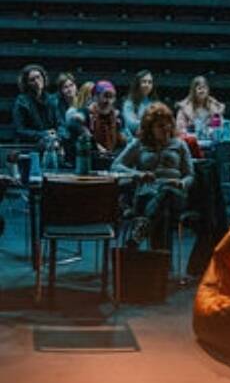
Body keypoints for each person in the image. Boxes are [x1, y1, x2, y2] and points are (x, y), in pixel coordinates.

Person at [110, 102, 193, 250]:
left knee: (166, 192)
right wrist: (138, 174)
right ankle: (160, 260)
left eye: (168, 124)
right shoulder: (139, 144)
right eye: (161, 126)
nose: (166, 128)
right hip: (147, 194)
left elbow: (190, 175)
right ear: (150, 128)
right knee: (162, 212)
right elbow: (116, 166)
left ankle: (140, 231)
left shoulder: (180, 145)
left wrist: (181, 183)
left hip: (175, 194)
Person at [69, 80, 124, 155]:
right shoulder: (87, 113)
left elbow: (124, 138)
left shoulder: (117, 116)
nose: (108, 101)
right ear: (96, 97)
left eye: (111, 97)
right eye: (105, 96)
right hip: (92, 156)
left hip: (113, 155)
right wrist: (93, 142)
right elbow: (74, 120)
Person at [9, 65, 58, 144]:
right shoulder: (21, 102)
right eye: (32, 80)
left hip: (50, 143)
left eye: (38, 77)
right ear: (27, 83)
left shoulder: (51, 99)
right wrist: (43, 134)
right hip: (29, 145)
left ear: (43, 78)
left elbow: (59, 123)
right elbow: (19, 130)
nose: (37, 81)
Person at [174, 76, 226, 141]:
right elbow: (180, 128)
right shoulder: (184, 107)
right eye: (199, 88)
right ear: (194, 91)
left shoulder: (215, 107)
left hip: (211, 141)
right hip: (190, 141)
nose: (202, 91)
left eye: (204, 88)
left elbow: (221, 126)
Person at [121, 70, 157, 139]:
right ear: (137, 84)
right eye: (144, 82)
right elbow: (131, 124)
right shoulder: (129, 103)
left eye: (150, 82)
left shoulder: (154, 103)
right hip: (132, 139)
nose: (147, 85)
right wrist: (151, 123)